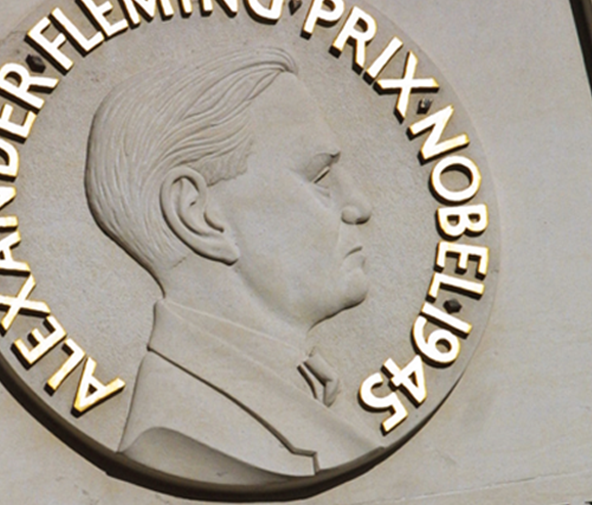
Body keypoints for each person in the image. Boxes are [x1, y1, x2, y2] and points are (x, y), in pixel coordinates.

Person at [85, 47, 380, 485]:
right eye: (319, 177)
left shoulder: (311, 388)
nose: (359, 206)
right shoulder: (177, 433)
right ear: (198, 215)